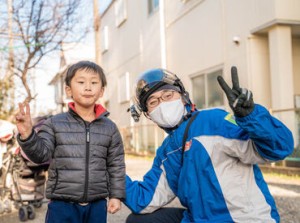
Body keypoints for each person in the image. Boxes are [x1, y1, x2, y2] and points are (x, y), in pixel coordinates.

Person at [124, 67, 294, 223]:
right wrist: (109, 171)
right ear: (149, 115)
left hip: (244, 219)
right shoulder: (167, 151)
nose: (162, 104)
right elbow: (144, 200)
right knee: (138, 221)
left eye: (168, 96)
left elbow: (279, 148)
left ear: (183, 97)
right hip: (199, 219)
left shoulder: (214, 120)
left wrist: (251, 117)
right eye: (153, 102)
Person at [15, 61, 126, 223]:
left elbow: (116, 165)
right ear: (68, 90)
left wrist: (116, 196)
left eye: (94, 83)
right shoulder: (54, 123)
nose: (88, 87)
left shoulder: (110, 128)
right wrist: (27, 135)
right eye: (81, 82)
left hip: (96, 205)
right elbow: (40, 155)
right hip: (62, 205)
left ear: (101, 91)